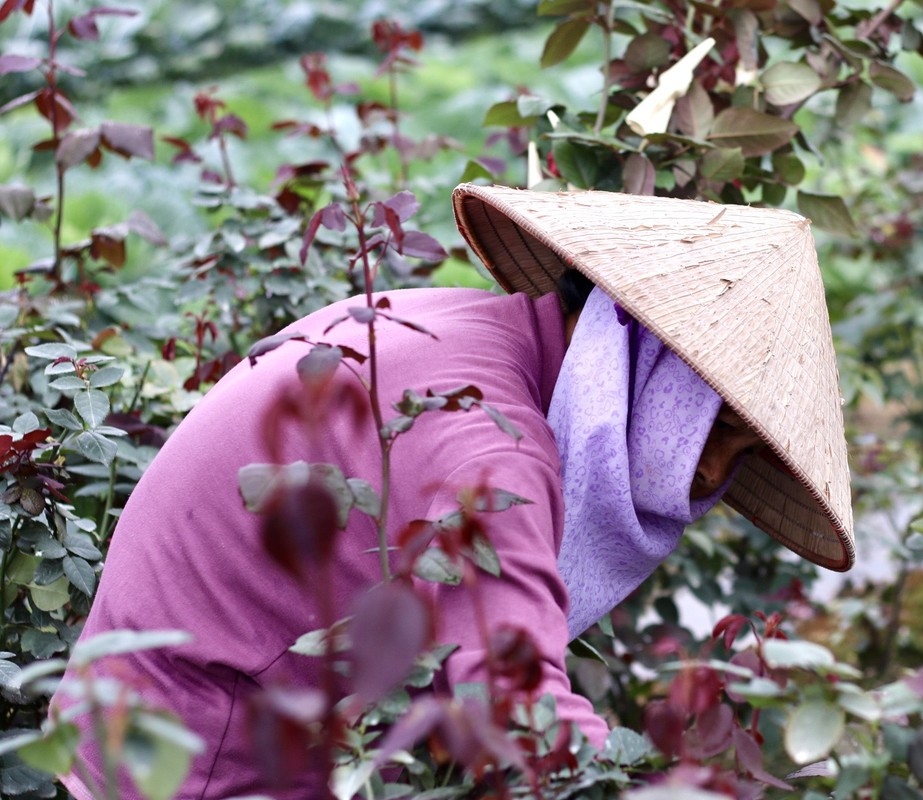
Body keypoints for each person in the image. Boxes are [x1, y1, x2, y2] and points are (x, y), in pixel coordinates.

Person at [52, 184, 855, 798]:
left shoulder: (456, 327)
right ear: (649, 362)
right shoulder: (492, 448)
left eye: (740, 455)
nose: (712, 476)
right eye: (715, 429)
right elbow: (516, 712)